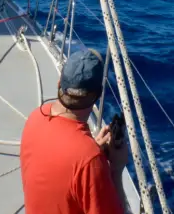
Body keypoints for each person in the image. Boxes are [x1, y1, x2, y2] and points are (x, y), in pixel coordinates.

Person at [20, 49, 130, 214]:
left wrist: (91, 149)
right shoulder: (89, 160)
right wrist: (115, 169)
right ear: (98, 95)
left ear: (59, 85)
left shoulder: (35, 118)